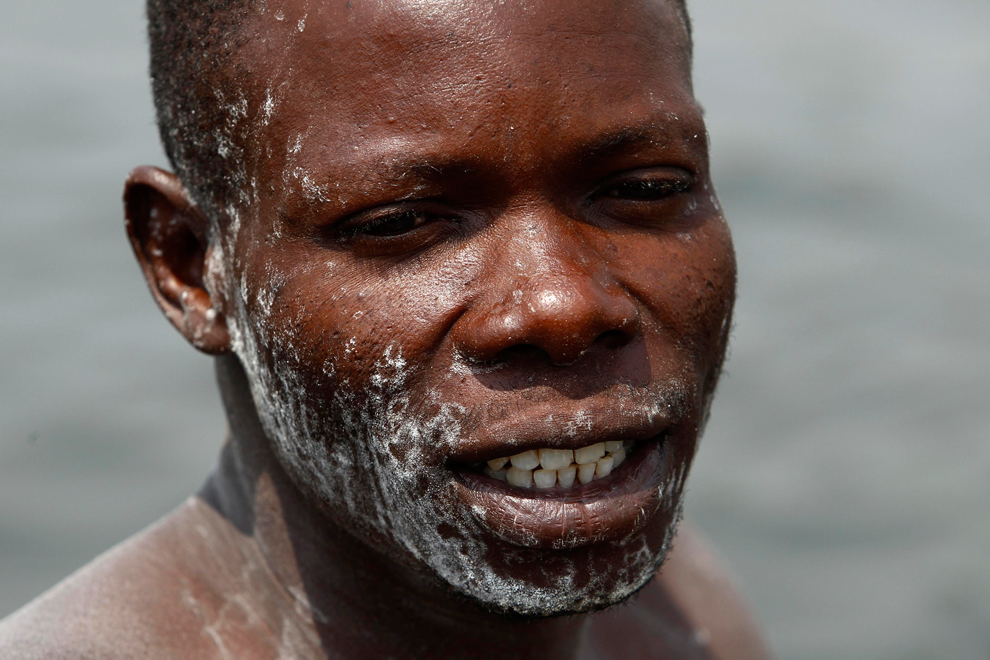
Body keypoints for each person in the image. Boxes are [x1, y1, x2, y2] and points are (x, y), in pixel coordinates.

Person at [0, 0, 773, 657]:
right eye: (402, 223)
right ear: (192, 266)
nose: (563, 305)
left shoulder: (685, 617)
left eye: (646, 187)